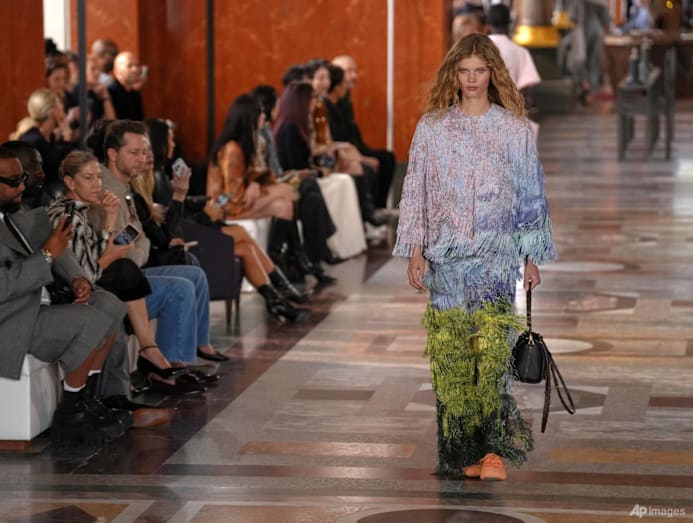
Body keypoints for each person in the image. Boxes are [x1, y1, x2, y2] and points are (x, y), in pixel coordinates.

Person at [393, 33, 557, 481]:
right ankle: (459, 452)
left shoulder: (513, 130)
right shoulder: (432, 128)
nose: (471, 79)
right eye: (464, 71)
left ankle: (492, 451)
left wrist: (531, 257)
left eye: (479, 71)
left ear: (493, 74)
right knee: (451, 355)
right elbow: (415, 190)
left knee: (492, 353)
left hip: (495, 260)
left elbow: (530, 196)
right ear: (453, 74)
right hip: (445, 260)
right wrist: (415, 250)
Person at [0, 145, 131, 443]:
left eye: (23, 178)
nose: (23, 187)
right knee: (91, 320)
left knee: (108, 305)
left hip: (30, 304)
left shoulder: (17, 211)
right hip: (9, 319)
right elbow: (5, 285)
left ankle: (88, 401)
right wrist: (47, 255)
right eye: (14, 182)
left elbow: (55, 244)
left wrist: (77, 279)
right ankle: (71, 415)